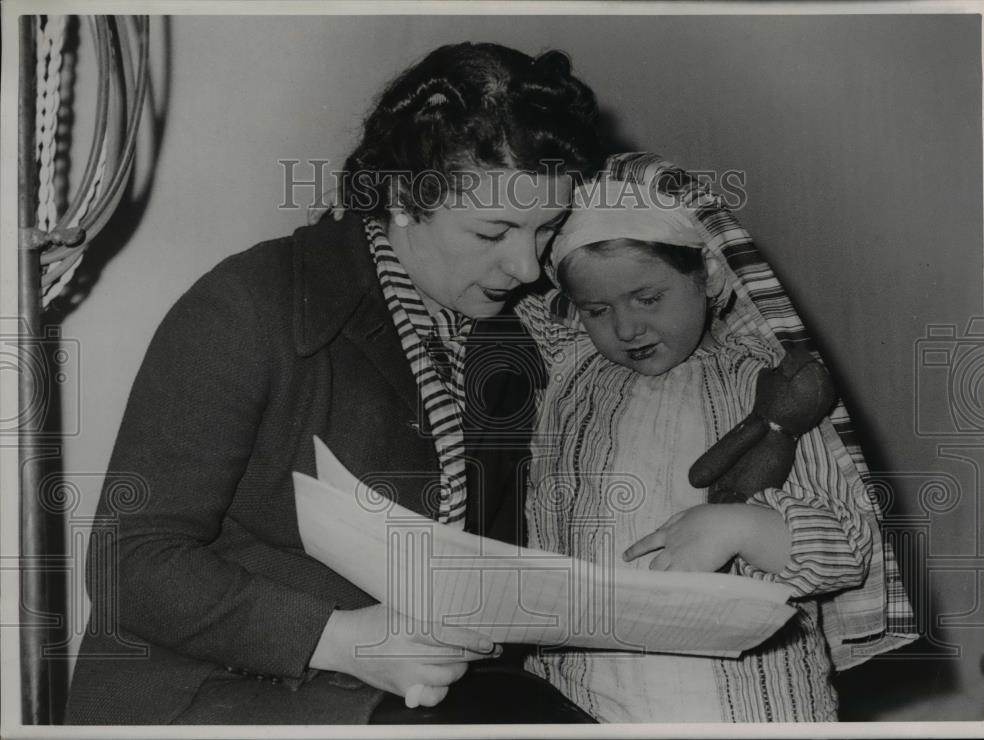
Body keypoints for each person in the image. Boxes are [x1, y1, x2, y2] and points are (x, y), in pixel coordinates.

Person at [66, 42, 604, 725]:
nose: (526, 265)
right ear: (406, 199)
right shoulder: (250, 303)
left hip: (394, 690)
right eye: (493, 230)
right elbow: (129, 568)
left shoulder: (506, 340)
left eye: (546, 229)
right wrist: (340, 639)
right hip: (210, 689)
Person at [514, 158, 917, 722]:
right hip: (581, 697)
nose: (626, 328)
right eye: (597, 309)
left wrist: (742, 528)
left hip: (749, 701)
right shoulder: (569, 372)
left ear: (708, 275)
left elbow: (850, 548)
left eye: (648, 298)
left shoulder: (763, 382)